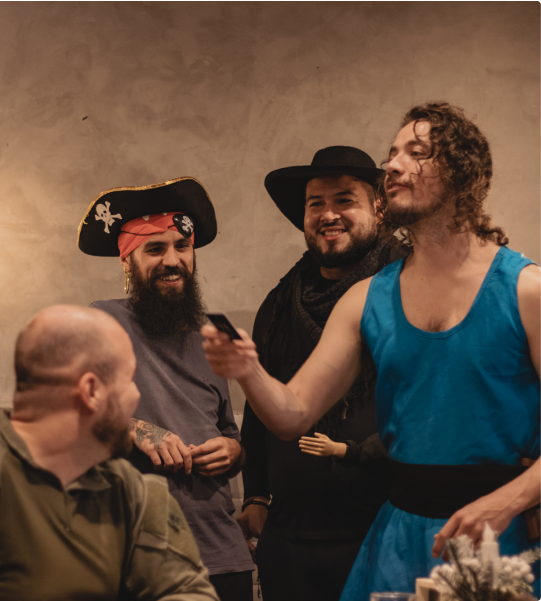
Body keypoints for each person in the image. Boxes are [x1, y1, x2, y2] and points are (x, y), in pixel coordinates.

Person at [202, 102, 541, 598]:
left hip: (501, 540)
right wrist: (248, 371)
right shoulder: (366, 299)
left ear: (462, 174)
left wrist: (509, 500)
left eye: (415, 152)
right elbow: (293, 414)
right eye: (391, 153)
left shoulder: (527, 291)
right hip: (397, 543)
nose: (393, 165)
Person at [0, 305, 218, 601]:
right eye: (128, 380)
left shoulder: (130, 489)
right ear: (91, 390)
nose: (135, 398)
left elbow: (187, 590)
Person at [77, 177, 254, 600]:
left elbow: (230, 433)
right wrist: (137, 429)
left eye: (182, 246)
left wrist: (234, 451)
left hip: (222, 554)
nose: (172, 260)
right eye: (154, 249)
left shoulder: (216, 331)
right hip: (136, 555)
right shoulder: (100, 322)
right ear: (126, 260)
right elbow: (68, 417)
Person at [239, 147, 403, 600]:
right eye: (316, 204)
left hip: (384, 528)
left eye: (345, 200)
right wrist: (255, 494)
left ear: (379, 207)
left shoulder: (408, 291)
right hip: (291, 538)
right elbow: (260, 403)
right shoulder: (279, 302)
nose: (328, 214)